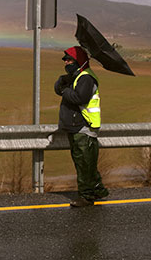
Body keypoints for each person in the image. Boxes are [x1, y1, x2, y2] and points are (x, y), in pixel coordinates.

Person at [54, 46, 109, 207]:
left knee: (84, 163)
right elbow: (58, 88)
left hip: (84, 127)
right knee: (86, 162)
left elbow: (80, 97)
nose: (66, 63)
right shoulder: (76, 76)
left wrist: (65, 90)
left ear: (79, 62)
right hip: (76, 127)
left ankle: (86, 196)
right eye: (65, 60)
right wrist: (62, 82)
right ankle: (97, 190)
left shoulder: (86, 78)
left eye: (69, 60)